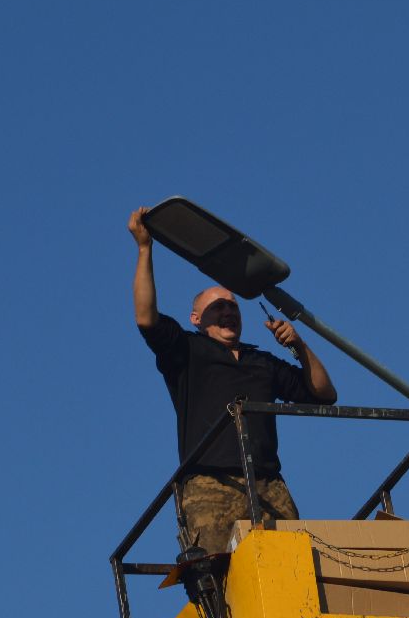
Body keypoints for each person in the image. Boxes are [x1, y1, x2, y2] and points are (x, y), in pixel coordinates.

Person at [129, 206, 337, 556]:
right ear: (196, 318)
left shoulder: (262, 361)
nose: (228, 311)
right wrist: (145, 249)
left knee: (290, 568)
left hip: (270, 486)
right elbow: (146, 318)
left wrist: (299, 346)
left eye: (233, 307)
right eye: (218, 307)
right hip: (210, 483)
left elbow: (324, 394)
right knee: (219, 576)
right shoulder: (186, 350)